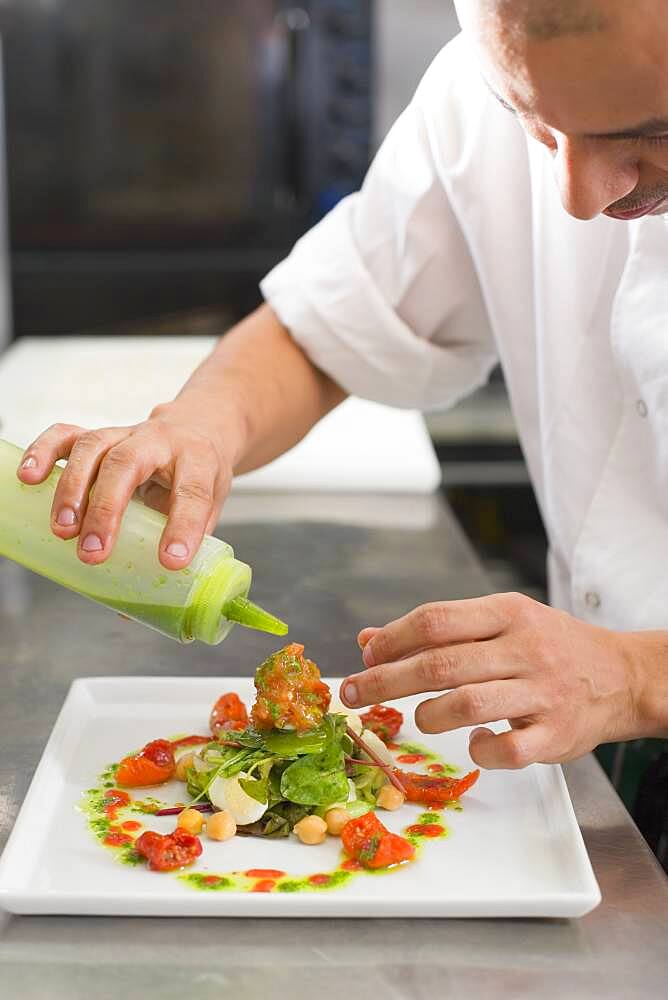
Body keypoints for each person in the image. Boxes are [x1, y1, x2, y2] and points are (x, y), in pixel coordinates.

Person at [16, 0, 668, 769]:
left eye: (653, 133)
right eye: (530, 120)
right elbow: (327, 329)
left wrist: (635, 677)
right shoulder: (483, 76)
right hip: (591, 740)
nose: (577, 197)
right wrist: (200, 427)